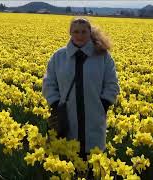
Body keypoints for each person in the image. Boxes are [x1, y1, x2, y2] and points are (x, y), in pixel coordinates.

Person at [42, 16, 120, 178]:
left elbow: (112, 84)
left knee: (94, 163)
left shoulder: (102, 56)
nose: (80, 35)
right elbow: (49, 83)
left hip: (94, 117)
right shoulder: (58, 57)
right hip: (67, 117)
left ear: (89, 33)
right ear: (70, 33)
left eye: (84, 31)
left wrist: (103, 105)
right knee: (70, 163)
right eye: (76, 31)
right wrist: (56, 105)